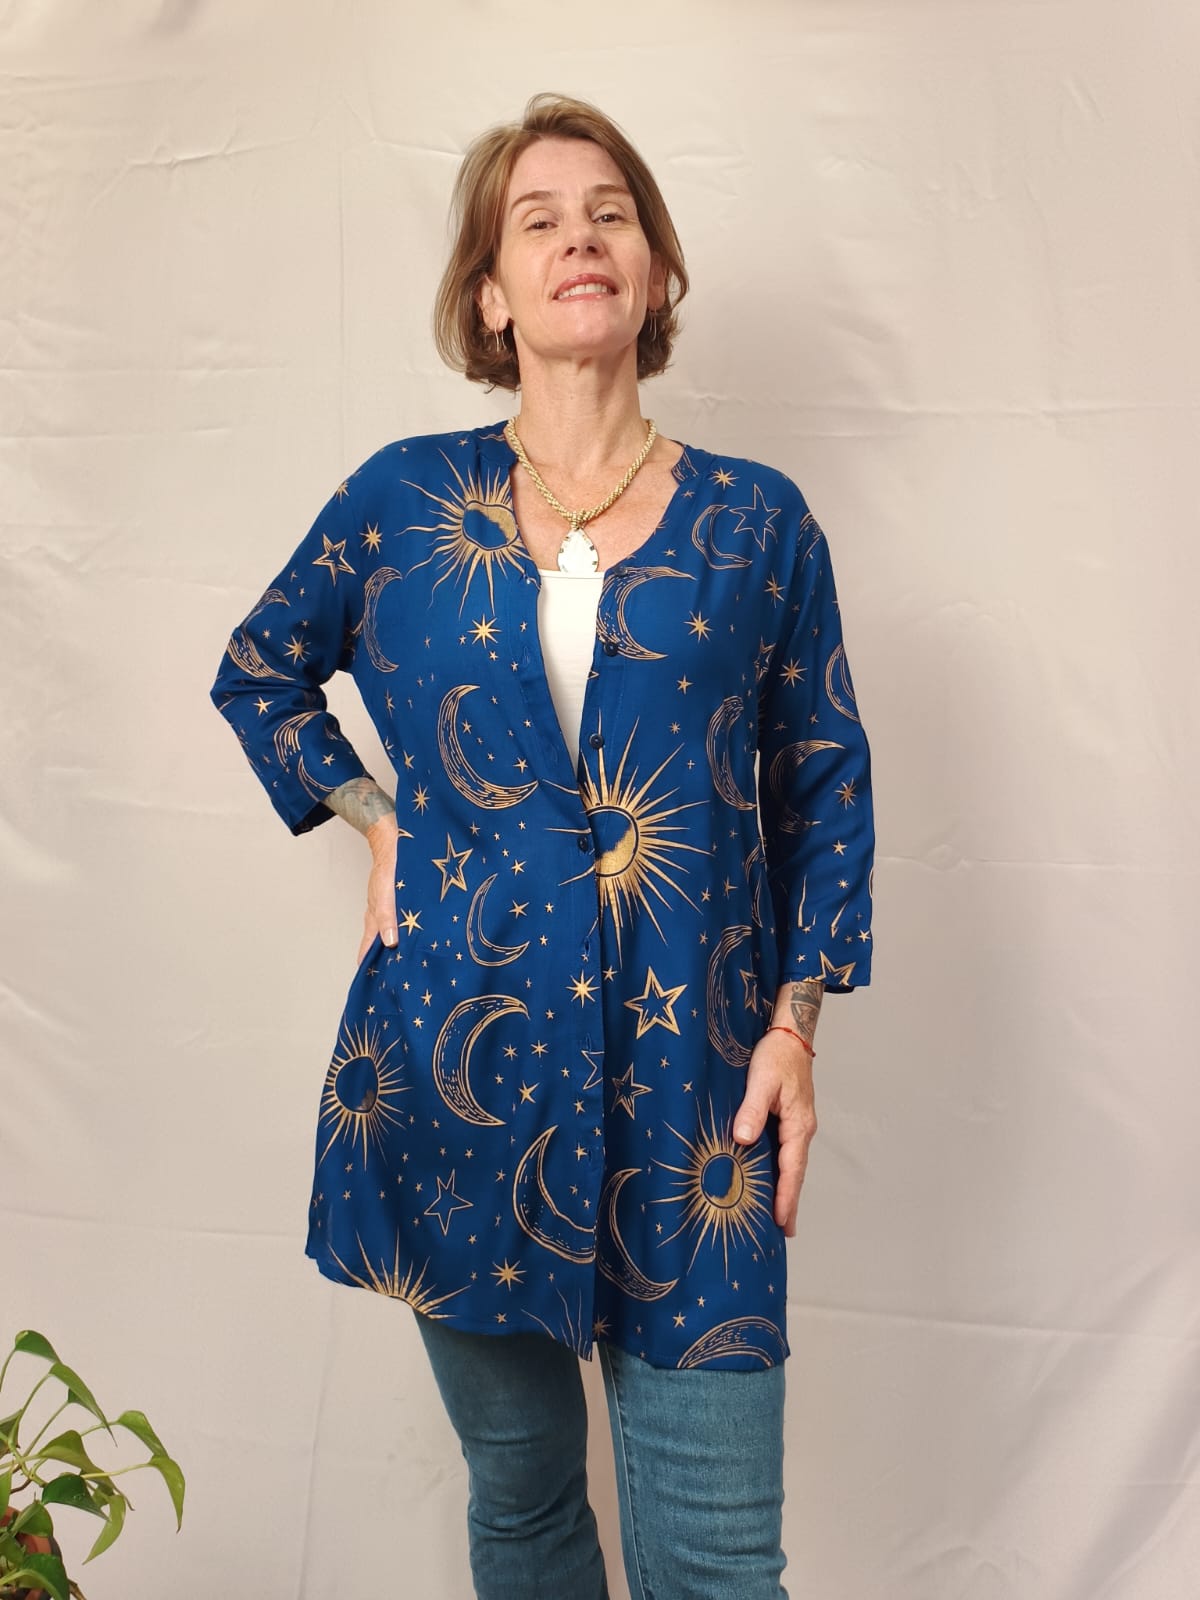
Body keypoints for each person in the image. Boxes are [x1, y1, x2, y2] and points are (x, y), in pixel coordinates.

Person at [212, 92, 874, 1600]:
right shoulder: (403, 502)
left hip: (702, 1093)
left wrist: (796, 1024)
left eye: (611, 213)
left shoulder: (758, 526)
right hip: (465, 1063)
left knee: (718, 1561)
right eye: (539, 220)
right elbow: (261, 669)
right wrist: (372, 816)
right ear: (492, 297)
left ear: (656, 272)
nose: (581, 236)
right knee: (520, 1508)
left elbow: (823, 782)